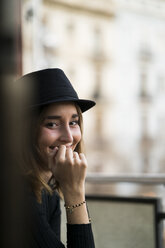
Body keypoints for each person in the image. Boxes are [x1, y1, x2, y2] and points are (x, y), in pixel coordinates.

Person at [17, 68, 96, 248]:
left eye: (73, 122)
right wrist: (75, 193)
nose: (68, 137)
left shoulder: (47, 186)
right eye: (52, 124)